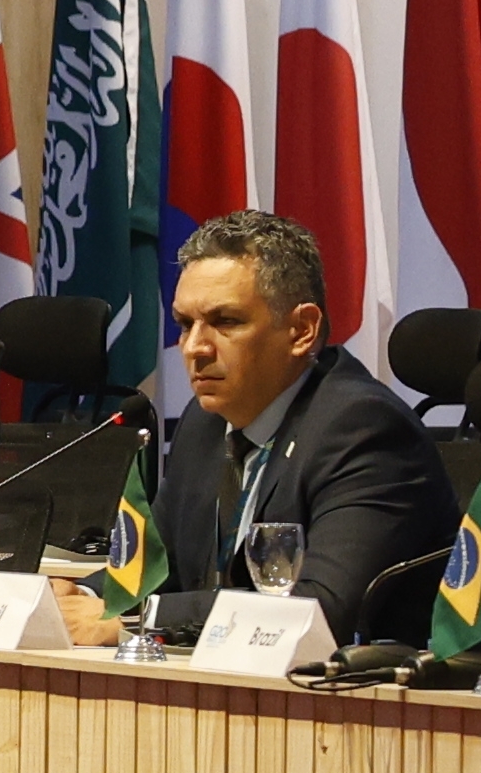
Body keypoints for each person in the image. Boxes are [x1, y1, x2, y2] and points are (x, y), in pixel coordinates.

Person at [150, 210, 455, 643]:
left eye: (225, 322)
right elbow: (149, 571)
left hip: (370, 700)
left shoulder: (364, 429)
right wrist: (72, 596)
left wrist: (149, 614)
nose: (195, 348)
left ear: (301, 330)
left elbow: (317, 610)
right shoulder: (205, 422)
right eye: (185, 324)